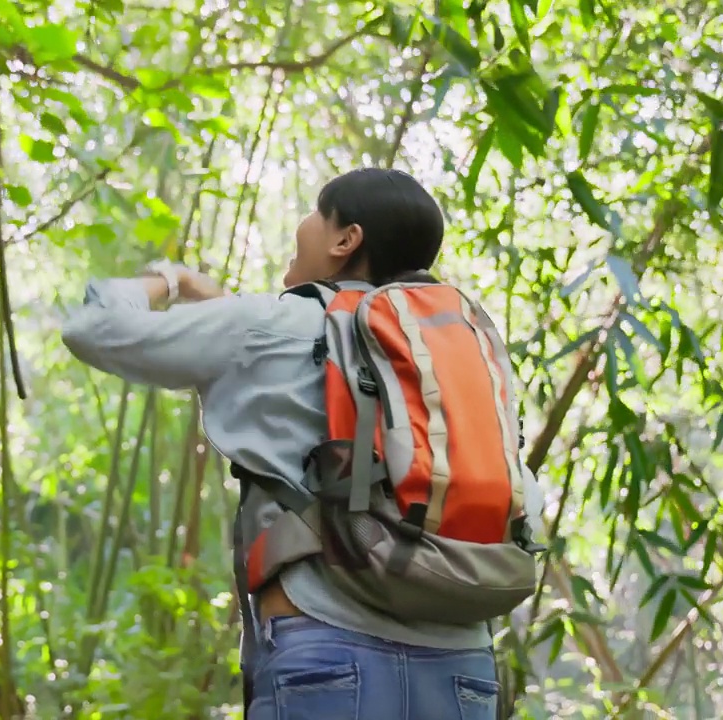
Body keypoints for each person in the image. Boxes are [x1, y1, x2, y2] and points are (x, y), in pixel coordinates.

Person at [60, 168, 545, 719]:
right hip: (464, 667)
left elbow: (94, 327)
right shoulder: (452, 352)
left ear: (346, 239)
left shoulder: (272, 326)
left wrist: (169, 280)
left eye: (317, 213)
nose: (304, 224)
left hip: (331, 653)